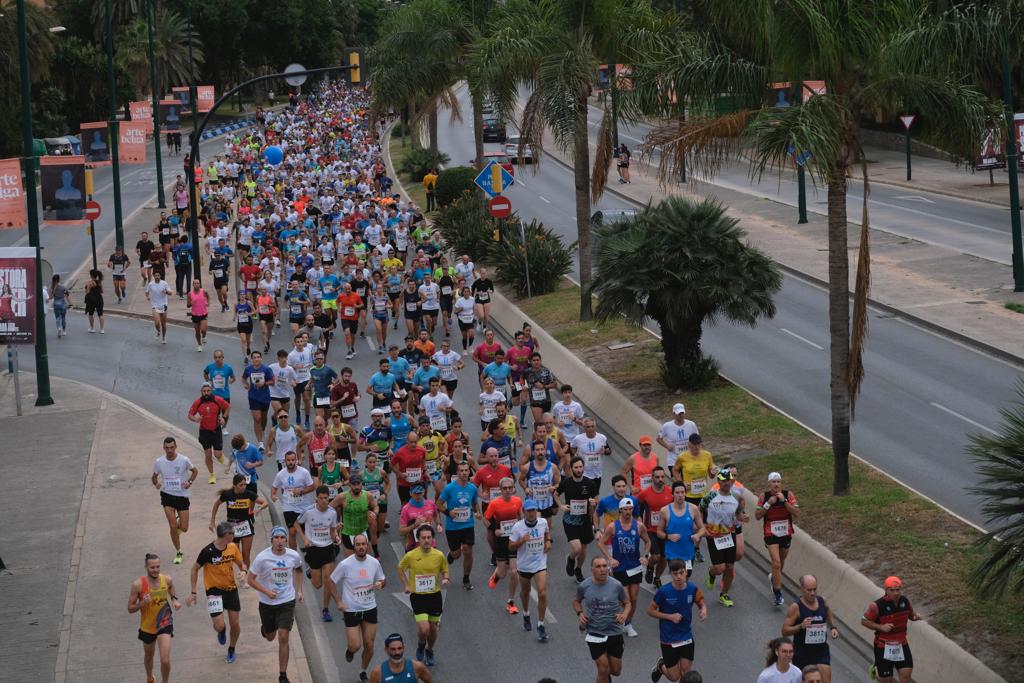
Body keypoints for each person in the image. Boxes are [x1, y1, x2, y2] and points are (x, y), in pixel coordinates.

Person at [248, 527, 305, 683]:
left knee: (283, 636)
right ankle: (266, 629)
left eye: (282, 538)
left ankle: (282, 675)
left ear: (286, 540)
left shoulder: (293, 555)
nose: (280, 541)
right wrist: (266, 591)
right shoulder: (262, 558)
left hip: (286, 601)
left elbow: (299, 570)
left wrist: (299, 590)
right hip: (267, 603)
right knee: (270, 636)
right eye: (276, 538)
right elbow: (250, 580)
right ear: (271, 540)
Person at [329, 533, 387, 682]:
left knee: (369, 644)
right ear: (354, 546)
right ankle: (350, 650)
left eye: (363, 544)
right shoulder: (345, 564)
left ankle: (362, 670)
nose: (361, 547)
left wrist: (381, 583)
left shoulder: (374, 563)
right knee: (355, 645)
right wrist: (338, 602)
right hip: (352, 610)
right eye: (358, 544)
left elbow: (382, 579)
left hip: (369, 608)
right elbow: (330, 581)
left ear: (367, 545)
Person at [186, 522, 246, 663]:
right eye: (232, 533)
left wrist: (243, 571)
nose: (234, 535)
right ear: (226, 535)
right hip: (213, 592)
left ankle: (231, 649)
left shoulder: (232, 547)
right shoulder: (207, 551)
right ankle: (221, 631)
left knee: (235, 623)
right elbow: (194, 569)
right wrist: (193, 592)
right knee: (220, 625)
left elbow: (241, 564)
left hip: (231, 589)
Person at [397, 525, 450, 667]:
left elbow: (445, 570)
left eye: (428, 537)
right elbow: (400, 568)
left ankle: (430, 650)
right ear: (418, 539)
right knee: (424, 629)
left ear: (432, 539)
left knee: (433, 629)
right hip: (418, 596)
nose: (426, 540)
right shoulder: (411, 555)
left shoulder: (439, 555)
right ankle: (421, 644)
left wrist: (445, 578)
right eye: (423, 538)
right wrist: (406, 585)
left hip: (434, 596)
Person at [598, 497, 651, 637]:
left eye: (630, 509)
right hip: (620, 567)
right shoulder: (613, 526)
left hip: (635, 566)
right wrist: (610, 559)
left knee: (633, 599)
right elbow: (601, 543)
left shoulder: (639, 526)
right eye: (625, 509)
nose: (628, 511)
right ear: (620, 510)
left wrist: (644, 556)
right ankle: (622, 622)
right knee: (625, 599)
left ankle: (627, 623)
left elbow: (648, 542)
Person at [648, 559, 707, 682]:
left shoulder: (692, 588)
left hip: (686, 635)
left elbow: (701, 602)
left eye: (681, 572)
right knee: (675, 677)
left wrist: (703, 609)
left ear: (686, 572)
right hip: (668, 638)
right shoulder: (664, 592)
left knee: (686, 674)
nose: (679, 576)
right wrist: (670, 617)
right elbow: (650, 611)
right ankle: (660, 666)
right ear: (670, 574)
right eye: (675, 574)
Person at [575, 556, 630, 683]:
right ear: (592, 569)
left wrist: (624, 615)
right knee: (603, 668)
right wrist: (580, 613)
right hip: (594, 631)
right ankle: (603, 676)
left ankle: (605, 677)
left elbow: (627, 603)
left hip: (614, 631)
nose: (602, 569)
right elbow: (576, 601)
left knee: (616, 671)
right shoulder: (584, 586)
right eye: (598, 566)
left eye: (605, 566)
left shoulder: (616, 585)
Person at [128, 553, 181, 683]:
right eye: (152, 567)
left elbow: (171, 587)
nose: (156, 570)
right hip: (147, 625)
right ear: (146, 567)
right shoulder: (138, 585)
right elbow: (130, 608)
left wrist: (174, 599)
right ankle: (150, 678)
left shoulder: (166, 579)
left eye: (158, 567)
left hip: (164, 621)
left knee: (165, 659)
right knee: (149, 656)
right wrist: (142, 603)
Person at [699, 470, 747, 607]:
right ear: (718, 481)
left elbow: (738, 514)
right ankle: (711, 572)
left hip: (729, 535)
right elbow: (700, 509)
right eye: (723, 480)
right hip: (713, 536)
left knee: (730, 567)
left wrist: (743, 517)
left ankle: (724, 594)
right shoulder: (711, 496)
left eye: (728, 480)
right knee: (720, 568)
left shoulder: (736, 496)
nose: (726, 483)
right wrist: (703, 526)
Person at [508, 499, 552, 642]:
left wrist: (548, 542)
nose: (532, 513)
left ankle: (540, 625)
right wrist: (521, 541)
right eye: (529, 511)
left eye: (534, 510)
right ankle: (526, 614)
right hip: (524, 565)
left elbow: (547, 534)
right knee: (525, 592)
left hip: (540, 562)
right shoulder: (517, 527)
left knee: (542, 593)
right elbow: (510, 547)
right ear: (524, 512)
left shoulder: (543, 522)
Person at [861, 576, 921, 683]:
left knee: (906, 675)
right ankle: (877, 670)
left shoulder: (905, 601)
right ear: (886, 590)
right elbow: (864, 621)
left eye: (898, 590)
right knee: (887, 680)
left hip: (901, 644)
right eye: (892, 590)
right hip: (883, 645)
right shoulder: (876, 606)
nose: (896, 593)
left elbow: (911, 615)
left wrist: (915, 617)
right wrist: (881, 627)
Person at [296, 485, 341, 622]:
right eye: (320, 498)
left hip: (327, 547)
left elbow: (333, 530)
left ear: (329, 498)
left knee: (328, 580)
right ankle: (310, 570)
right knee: (317, 585)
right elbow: (296, 524)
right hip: (313, 548)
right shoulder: (308, 511)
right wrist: (304, 539)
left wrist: (336, 538)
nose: (323, 501)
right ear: (316, 499)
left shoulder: (332, 513)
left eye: (326, 498)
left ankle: (325, 609)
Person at [782, 574, 839, 683]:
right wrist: (800, 626)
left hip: (821, 652)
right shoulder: (796, 607)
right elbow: (784, 631)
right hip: (802, 654)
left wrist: (833, 627)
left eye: (815, 589)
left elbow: (828, 612)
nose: (813, 593)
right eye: (809, 590)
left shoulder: (822, 601)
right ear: (802, 589)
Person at [152, 436, 198, 565]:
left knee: (184, 528)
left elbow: (195, 472)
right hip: (167, 495)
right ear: (164, 448)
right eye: (166, 448)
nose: (169, 450)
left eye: (171, 447)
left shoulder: (184, 460)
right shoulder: (159, 462)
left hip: (182, 496)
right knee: (172, 526)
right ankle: (179, 552)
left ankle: (178, 523)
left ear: (175, 447)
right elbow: (154, 477)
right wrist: (156, 483)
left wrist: (189, 482)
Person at [756, 471, 800, 606]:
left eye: (778, 482)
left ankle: (774, 578)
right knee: (776, 563)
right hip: (771, 534)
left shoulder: (788, 495)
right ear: (769, 484)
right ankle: (777, 593)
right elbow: (757, 516)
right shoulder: (764, 496)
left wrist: (785, 502)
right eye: (773, 482)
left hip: (785, 533)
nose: (776, 484)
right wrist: (768, 503)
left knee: (780, 562)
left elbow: (797, 513)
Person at [437, 461, 481, 590]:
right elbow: (438, 504)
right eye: (461, 471)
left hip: (468, 525)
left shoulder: (472, 488)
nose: (464, 473)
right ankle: (451, 554)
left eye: (466, 470)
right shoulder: (449, 488)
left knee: (468, 550)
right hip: (453, 527)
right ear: (457, 473)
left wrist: (477, 512)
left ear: (469, 472)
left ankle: (466, 578)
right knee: (457, 554)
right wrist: (448, 512)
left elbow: (474, 503)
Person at [555, 455, 599, 584]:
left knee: (583, 549)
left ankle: (578, 569)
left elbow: (596, 498)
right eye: (576, 467)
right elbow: (556, 494)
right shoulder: (566, 483)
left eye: (581, 467)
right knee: (577, 548)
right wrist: (561, 506)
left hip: (585, 519)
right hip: (570, 520)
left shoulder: (590, 483)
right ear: (572, 468)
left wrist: (593, 502)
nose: (579, 470)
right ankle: (571, 558)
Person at [211, 471, 267, 567]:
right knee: (236, 556)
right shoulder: (227, 494)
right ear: (235, 485)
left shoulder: (249, 494)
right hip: (232, 529)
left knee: (246, 555)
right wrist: (212, 521)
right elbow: (216, 504)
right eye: (241, 485)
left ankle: (244, 575)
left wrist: (260, 508)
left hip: (246, 527)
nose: (244, 487)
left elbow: (265, 502)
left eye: (245, 484)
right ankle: (242, 571)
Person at [656, 481, 705, 574]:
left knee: (686, 577)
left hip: (688, 552)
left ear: (685, 493)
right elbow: (659, 532)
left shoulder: (693, 508)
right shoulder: (665, 510)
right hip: (673, 554)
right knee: (678, 578)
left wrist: (698, 535)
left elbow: (702, 528)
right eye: (677, 492)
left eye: (682, 492)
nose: (680, 495)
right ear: (672, 494)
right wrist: (669, 537)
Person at [637, 466, 675, 586]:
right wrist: (640, 522)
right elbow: (637, 508)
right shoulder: (645, 493)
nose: (660, 479)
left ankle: (657, 577)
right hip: (651, 530)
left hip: (666, 530)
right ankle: (650, 566)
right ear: (652, 478)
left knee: (664, 558)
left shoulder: (670, 492)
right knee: (656, 556)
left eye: (662, 476)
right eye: (657, 477)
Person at [271, 451, 316, 550]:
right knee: (292, 531)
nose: (290, 462)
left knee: (306, 531)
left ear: (296, 460)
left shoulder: (304, 472)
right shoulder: (281, 474)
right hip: (288, 506)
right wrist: (273, 495)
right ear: (285, 461)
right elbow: (274, 487)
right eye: (288, 460)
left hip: (303, 506)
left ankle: (309, 550)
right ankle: (293, 553)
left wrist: (302, 491)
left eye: (292, 460)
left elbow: (312, 487)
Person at [188, 382, 231, 484]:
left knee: (217, 454)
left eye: (208, 391)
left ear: (211, 391)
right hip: (204, 432)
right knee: (208, 454)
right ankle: (212, 475)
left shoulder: (217, 400)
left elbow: (228, 407)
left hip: (216, 430)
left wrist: (224, 418)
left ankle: (220, 457)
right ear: (201, 392)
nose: (206, 393)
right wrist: (195, 419)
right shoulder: (198, 402)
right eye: (204, 391)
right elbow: (190, 415)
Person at [369, 633, 433, 683]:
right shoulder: (377, 672)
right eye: (393, 649)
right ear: (386, 650)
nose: (397, 652)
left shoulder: (417, 667)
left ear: (404, 648)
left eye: (399, 648)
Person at [242, 351, 273, 446]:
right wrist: (246, 384)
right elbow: (244, 378)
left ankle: (262, 431)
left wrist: (264, 384)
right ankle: (260, 442)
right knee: (257, 418)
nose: (256, 359)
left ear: (261, 358)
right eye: (254, 357)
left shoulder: (266, 369)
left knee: (263, 418)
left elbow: (272, 381)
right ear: (251, 359)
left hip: (265, 397)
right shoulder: (248, 369)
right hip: (253, 396)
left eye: (258, 357)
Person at [657, 404, 699, 471]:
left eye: (682, 413)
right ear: (674, 414)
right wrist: (667, 446)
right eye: (679, 413)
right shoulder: (667, 426)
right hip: (673, 460)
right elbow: (659, 439)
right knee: (677, 481)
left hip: (688, 458)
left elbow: (697, 439)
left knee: (686, 480)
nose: (681, 415)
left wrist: (696, 451)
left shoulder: (691, 424)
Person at [145, 270, 173, 343]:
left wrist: (166, 292)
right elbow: (147, 292)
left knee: (163, 324)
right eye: (155, 275)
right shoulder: (151, 284)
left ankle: (164, 337)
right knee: (157, 323)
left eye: (158, 275)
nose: (157, 277)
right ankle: (158, 331)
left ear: (160, 276)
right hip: (155, 305)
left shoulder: (164, 283)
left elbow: (170, 293)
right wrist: (147, 297)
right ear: (153, 276)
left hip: (163, 305)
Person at [186, 280, 210, 351]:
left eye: (198, 283)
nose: (196, 284)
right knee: (197, 332)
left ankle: (204, 336)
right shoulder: (190, 294)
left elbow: (208, 297)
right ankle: (199, 345)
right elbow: (188, 305)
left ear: (200, 284)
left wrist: (208, 302)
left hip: (203, 314)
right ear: (193, 285)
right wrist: (191, 303)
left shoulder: (204, 292)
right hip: (195, 315)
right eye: (195, 283)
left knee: (203, 329)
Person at [84, 269, 105, 334]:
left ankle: (92, 328)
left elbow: (87, 292)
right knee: (100, 314)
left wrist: (87, 287)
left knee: (91, 313)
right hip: (99, 299)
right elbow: (102, 291)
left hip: (91, 300)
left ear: (91, 275)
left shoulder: (90, 283)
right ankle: (102, 329)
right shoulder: (99, 282)